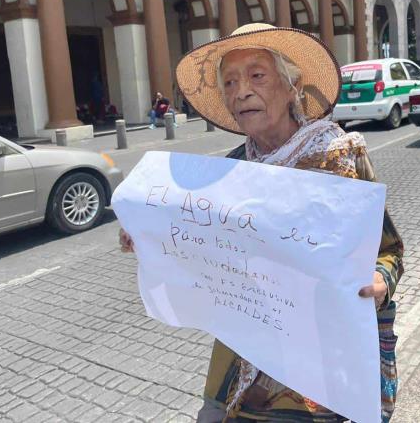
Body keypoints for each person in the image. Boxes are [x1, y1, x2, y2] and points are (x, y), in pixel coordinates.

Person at [120, 23, 404, 422]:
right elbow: (198, 250)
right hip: (243, 357)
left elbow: (389, 250)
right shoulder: (230, 172)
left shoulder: (339, 158)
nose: (241, 91)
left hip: (318, 366)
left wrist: (379, 282)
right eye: (230, 82)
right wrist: (148, 235)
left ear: (292, 87)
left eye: (257, 75)